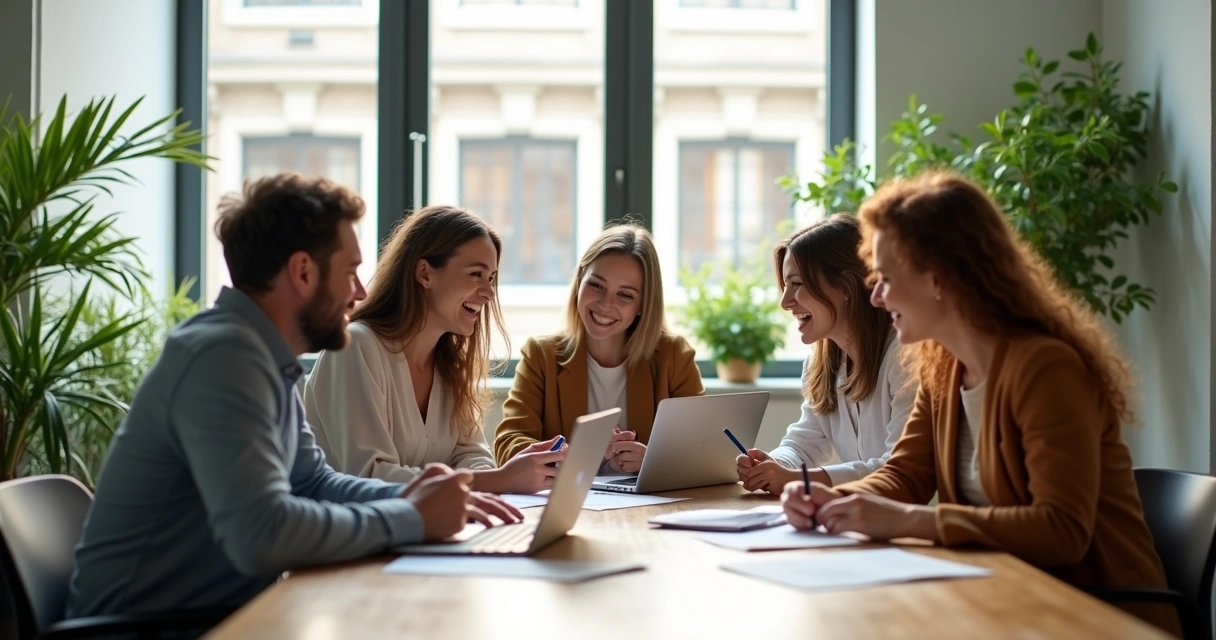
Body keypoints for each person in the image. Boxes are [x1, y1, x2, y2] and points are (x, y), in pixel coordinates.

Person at [67, 174, 521, 620]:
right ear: (303, 272)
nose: (360, 293)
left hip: (224, 614)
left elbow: (314, 481)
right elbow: (262, 535)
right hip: (152, 627)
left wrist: (415, 497)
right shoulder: (223, 358)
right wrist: (411, 518)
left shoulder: (264, 356)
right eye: (350, 271)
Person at [781, 171, 1178, 635]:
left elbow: (1061, 531)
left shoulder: (1045, 368)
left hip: (1092, 611)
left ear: (938, 279)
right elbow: (906, 474)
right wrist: (830, 500)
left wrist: (911, 520)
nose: (875, 295)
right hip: (1005, 597)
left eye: (886, 277)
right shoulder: (942, 365)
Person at [304, 205, 565, 493]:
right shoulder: (355, 347)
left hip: (430, 532)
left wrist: (505, 475)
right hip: (357, 535)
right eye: (476, 274)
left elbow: (473, 456)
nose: (489, 293)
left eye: (490, 278)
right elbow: (370, 475)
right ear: (425, 274)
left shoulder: (450, 364)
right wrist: (499, 480)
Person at [494, 224, 704, 473]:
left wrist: (654, 462)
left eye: (625, 295)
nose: (605, 304)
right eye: (597, 286)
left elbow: (702, 449)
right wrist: (580, 455)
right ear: (580, 281)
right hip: (570, 505)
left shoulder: (674, 356)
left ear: (643, 305)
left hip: (652, 506)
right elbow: (509, 446)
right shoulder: (541, 356)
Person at [736, 215, 914, 495]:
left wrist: (799, 480)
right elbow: (803, 444)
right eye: (785, 286)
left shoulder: (904, 358)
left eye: (797, 284)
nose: (785, 302)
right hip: (861, 520)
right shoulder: (822, 362)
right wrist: (774, 465)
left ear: (845, 288)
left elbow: (897, 469)